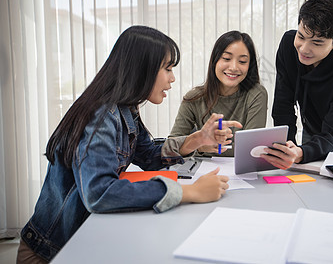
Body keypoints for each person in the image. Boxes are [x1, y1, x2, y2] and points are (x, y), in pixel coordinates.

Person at [17, 26, 242, 263]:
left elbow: (149, 155)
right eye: (167, 68)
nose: (172, 78)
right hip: (50, 253)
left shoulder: (125, 109)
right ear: (142, 69)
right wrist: (189, 192)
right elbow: (100, 193)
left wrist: (196, 140)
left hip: (85, 242)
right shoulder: (101, 117)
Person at [263, 0, 333, 168]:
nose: (304, 49)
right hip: (313, 124)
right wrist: (288, 148)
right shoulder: (288, 46)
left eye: (317, 43)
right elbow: (283, 104)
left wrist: (301, 152)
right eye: (301, 36)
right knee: (308, 177)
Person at [169, 30, 268, 156]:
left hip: (240, 172)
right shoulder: (194, 98)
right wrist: (200, 146)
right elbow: (171, 147)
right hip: (201, 171)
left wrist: (198, 146)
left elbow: (251, 149)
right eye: (226, 58)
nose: (233, 67)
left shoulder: (256, 94)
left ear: (250, 66)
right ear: (215, 61)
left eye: (242, 61)